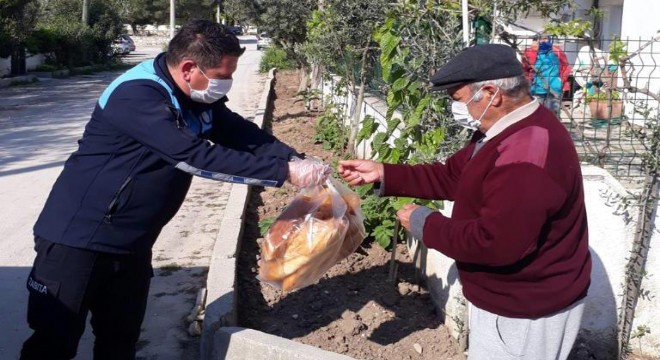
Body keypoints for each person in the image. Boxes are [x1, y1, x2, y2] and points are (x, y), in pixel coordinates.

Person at [21, 20, 330, 360]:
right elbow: (191, 156)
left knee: (120, 341)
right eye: (221, 75)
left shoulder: (193, 94)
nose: (225, 85)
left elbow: (235, 131)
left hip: (132, 242)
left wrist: (293, 157)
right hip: (78, 240)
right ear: (188, 68)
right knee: (53, 342)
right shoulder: (136, 94)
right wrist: (282, 172)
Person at [338, 44, 591, 360]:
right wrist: (384, 173)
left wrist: (424, 223)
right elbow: (452, 175)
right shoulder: (503, 129)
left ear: (491, 94)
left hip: (526, 311)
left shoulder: (527, 153)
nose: (455, 109)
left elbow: (495, 243)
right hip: (511, 301)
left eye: (458, 100)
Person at [522, 34, 572, 114]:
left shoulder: (557, 51)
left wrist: (561, 80)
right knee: (536, 115)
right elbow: (525, 69)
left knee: (553, 115)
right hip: (536, 89)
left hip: (554, 88)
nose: (542, 41)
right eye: (540, 39)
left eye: (545, 38)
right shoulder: (530, 52)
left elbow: (566, 67)